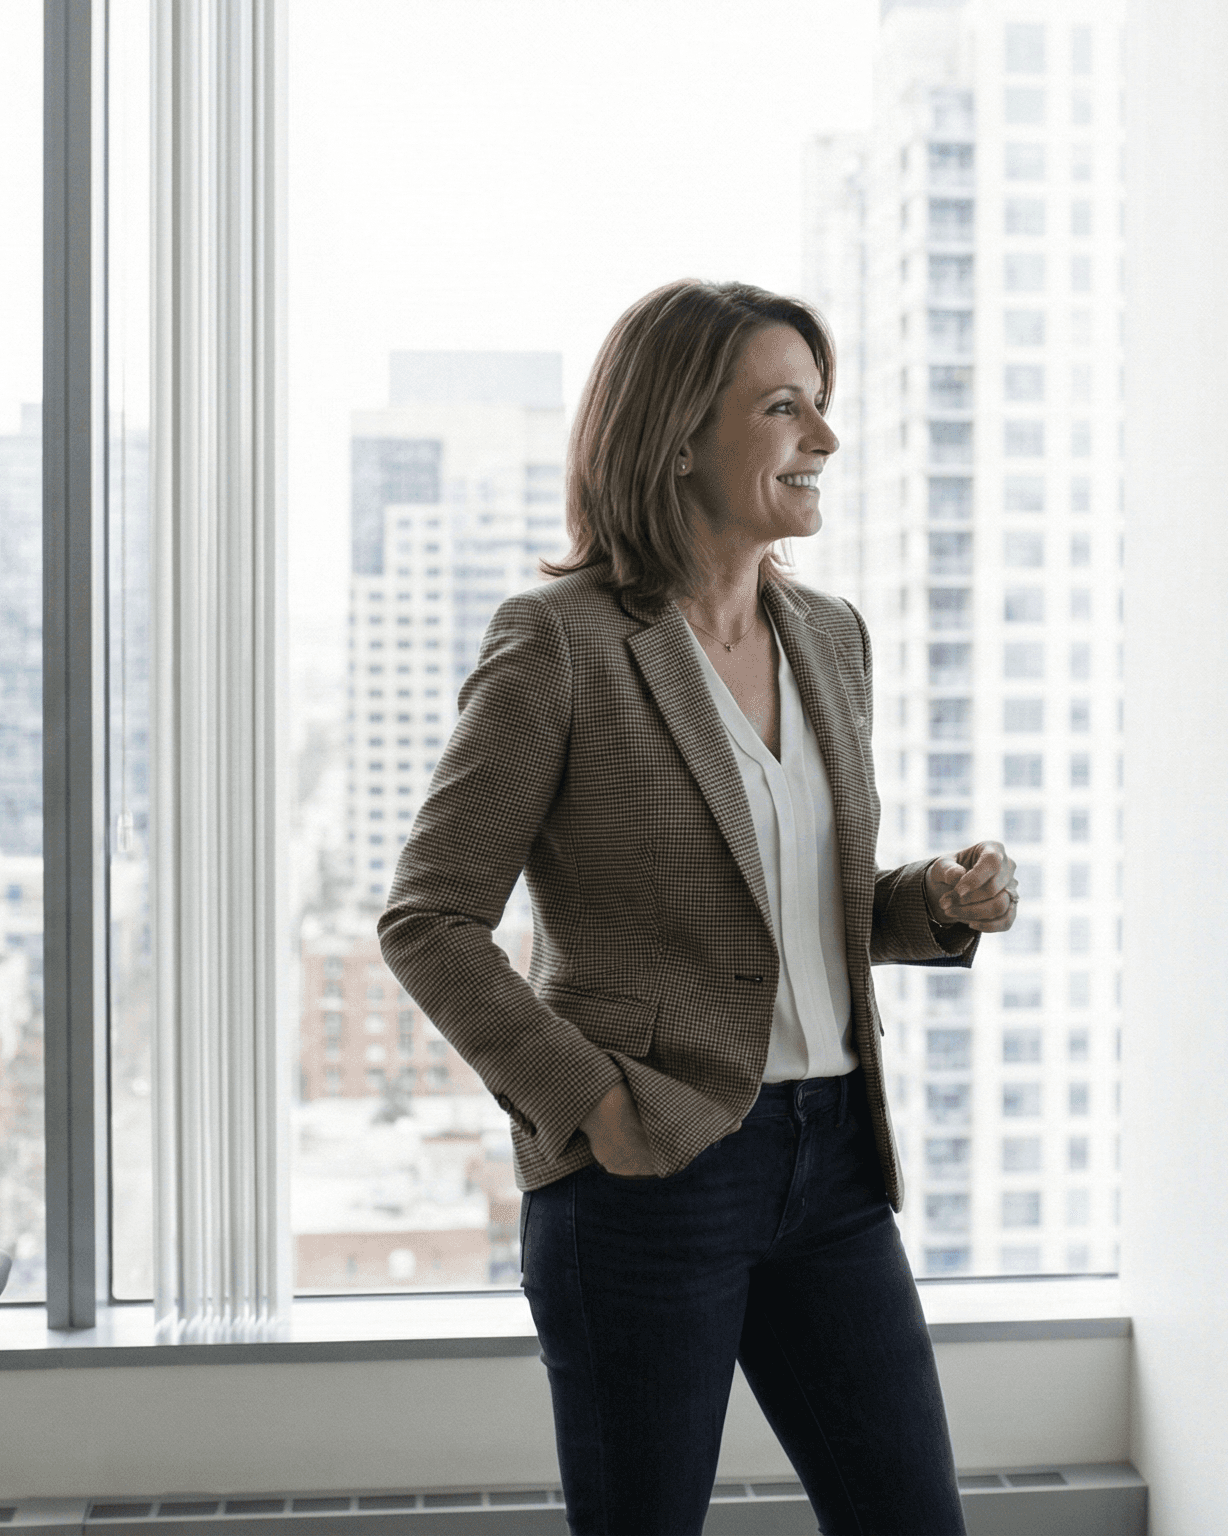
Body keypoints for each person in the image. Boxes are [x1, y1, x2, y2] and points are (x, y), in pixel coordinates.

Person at [380, 277, 1019, 1535]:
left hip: (834, 1166)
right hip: (651, 1176)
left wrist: (932, 902)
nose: (823, 437)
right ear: (676, 437)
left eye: (820, 404)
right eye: (784, 408)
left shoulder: (829, 636)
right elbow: (429, 918)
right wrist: (593, 1108)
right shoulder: (559, 641)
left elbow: (794, 906)